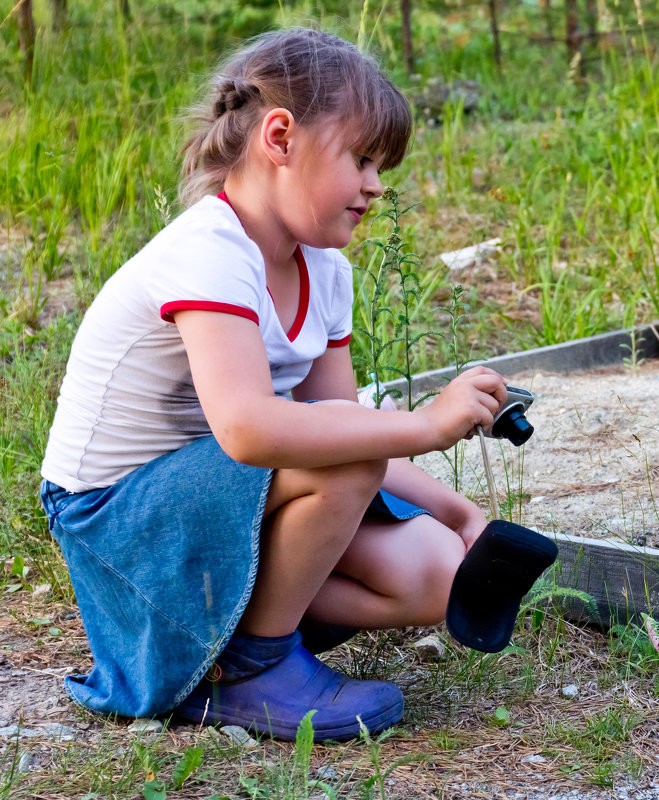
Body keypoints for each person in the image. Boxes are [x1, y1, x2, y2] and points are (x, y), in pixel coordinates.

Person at [38, 27, 509, 742]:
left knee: (436, 572)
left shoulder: (325, 270)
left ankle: (235, 634)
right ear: (281, 137)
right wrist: (426, 424)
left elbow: (335, 418)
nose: (377, 185)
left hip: (217, 501)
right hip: (118, 524)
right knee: (343, 455)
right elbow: (253, 429)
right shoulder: (211, 251)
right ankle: (250, 669)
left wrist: (462, 515)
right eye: (362, 159)